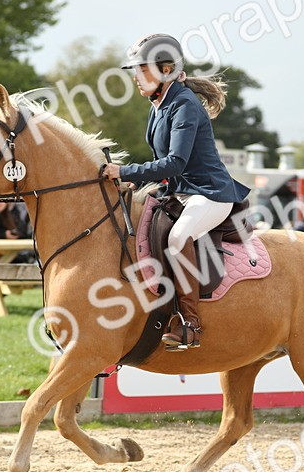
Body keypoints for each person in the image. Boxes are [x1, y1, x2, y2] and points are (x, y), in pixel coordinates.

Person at [104, 33, 251, 350]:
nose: (136, 77)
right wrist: (136, 182)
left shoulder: (184, 104)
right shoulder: (159, 104)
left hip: (210, 194)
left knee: (177, 237)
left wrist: (126, 171)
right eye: (136, 70)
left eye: (142, 70)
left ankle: (190, 325)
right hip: (182, 192)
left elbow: (174, 162)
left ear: (167, 70)